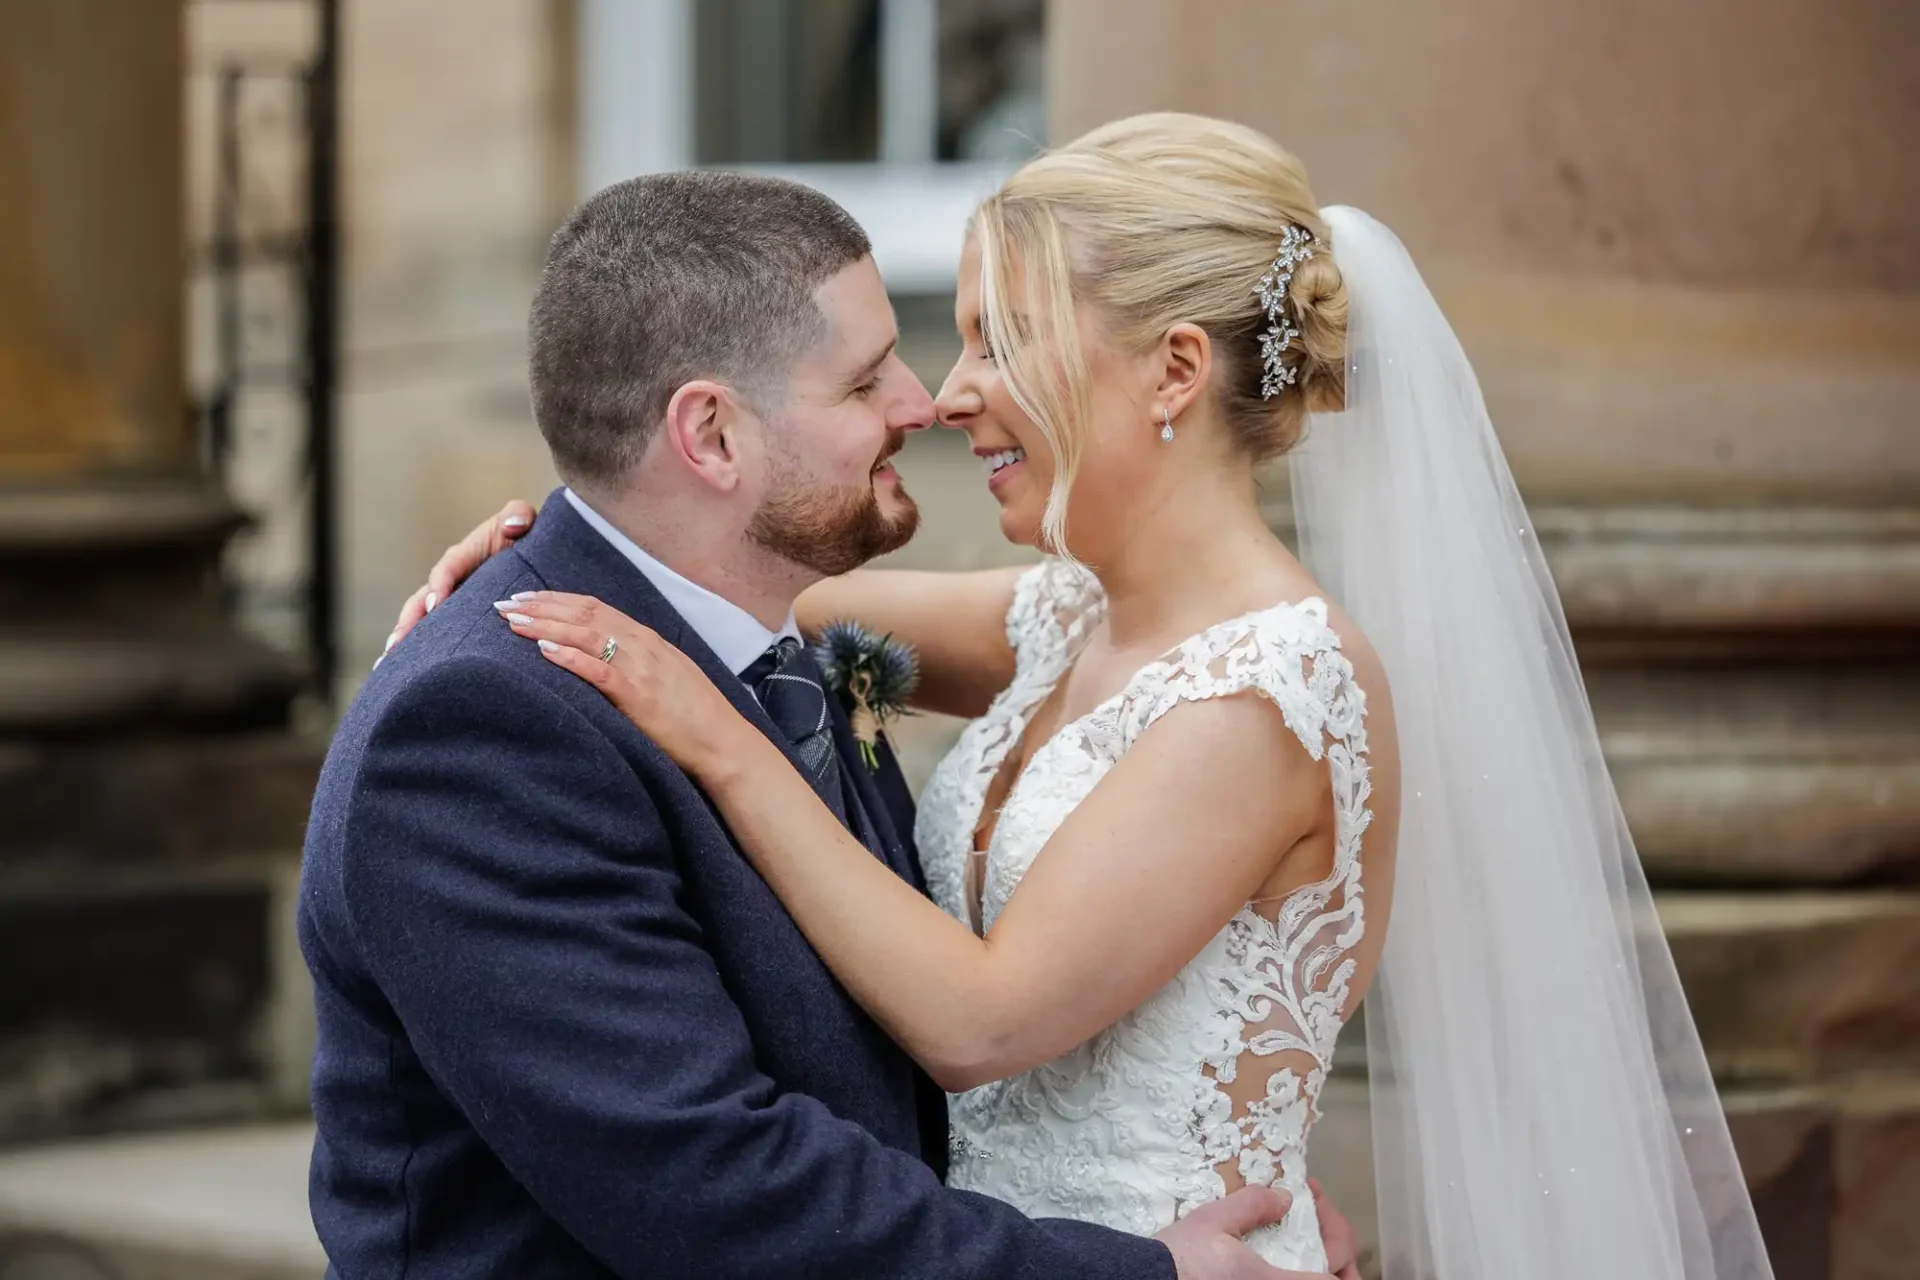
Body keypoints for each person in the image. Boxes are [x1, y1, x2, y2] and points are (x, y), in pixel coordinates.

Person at [403, 114, 1776, 1280]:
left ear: (1175, 371)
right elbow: (744, 595)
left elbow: (980, 1022)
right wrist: (513, 567)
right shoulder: (1063, 621)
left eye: (1000, 342)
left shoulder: (1272, 690)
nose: (950, 397)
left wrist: (720, 746)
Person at [302, 167, 1357, 1279]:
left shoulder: (755, 625)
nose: (925, 401)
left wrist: (1212, 1158)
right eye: (865, 381)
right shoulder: (482, 736)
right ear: (710, 436)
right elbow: (717, 1185)